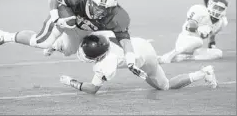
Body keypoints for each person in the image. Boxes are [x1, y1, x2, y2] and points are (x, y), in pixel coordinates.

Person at [0, 0, 145, 77]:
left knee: (69, 51)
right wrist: (56, 18)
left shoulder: (118, 16)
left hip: (83, 28)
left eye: (104, 9)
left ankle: (57, 45)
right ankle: (3, 36)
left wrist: (131, 61)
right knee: (40, 42)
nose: (99, 12)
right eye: (97, 6)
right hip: (65, 17)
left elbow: (124, 39)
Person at [59, 32, 218, 95]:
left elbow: (92, 89)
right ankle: (200, 71)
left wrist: (71, 82)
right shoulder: (101, 36)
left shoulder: (106, 63)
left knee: (164, 86)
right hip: (140, 44)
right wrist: (55, 47)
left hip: (144, 59)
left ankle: (204, 73)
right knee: (156, 65)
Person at [158, 0, 228, 64]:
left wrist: (212, 43)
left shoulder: (221, 23)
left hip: (195, 48)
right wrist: (199, 29)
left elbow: (213, 33)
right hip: (184, 41)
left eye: (221, 9)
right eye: (216, 7)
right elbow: (189, 26)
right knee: (198, 41)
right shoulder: (201, 11)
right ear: (210, 5)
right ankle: (169, 55)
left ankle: (185, 58)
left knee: (218, 53)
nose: (218, 10)